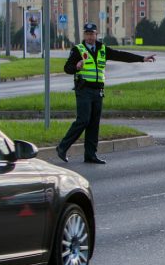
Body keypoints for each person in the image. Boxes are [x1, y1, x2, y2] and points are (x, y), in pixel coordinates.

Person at [56, 23, 155, 164]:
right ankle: (62, 147)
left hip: (98, 91)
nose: (90, 37)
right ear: (84, 35)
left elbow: (121, 55)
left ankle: (90, 155)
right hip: (83, 89)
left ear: (97, 35)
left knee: (94, 123)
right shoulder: (78, 50)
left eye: (92, 34)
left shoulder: (102, 49)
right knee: (83, 120)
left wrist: (142, 58)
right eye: (87, 34)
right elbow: (67, 68)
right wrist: (76, 67)